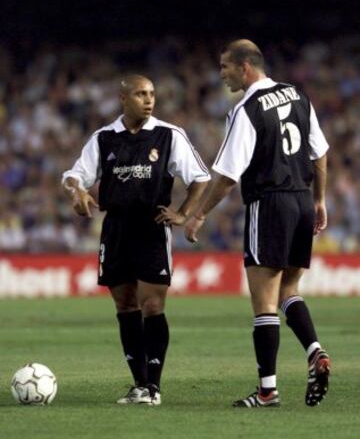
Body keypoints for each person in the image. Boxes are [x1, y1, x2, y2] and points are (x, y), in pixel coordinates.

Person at [185, 39, 331, 408]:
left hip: (270, 203)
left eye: (225, 67)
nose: (222, 74)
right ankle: (315, 351)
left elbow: (228, 174)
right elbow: (321, 152)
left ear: (245, 68)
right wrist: (319, 199)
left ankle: (267, 391)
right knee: (289, 289)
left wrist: (200, 212)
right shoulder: (297, 96)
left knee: (263, 301)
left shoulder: (246, 108)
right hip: (301, 199)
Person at [62, 74, 210, 405]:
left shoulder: (168, 135)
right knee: (125, 305)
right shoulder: (103, 138)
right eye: (141, 94)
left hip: (152, 226)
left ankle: (154, 387)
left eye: (152, 94)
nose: (149, 99)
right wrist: (78, 191)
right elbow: (72, 175)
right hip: (115, 228)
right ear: (123, 98)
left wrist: (184, 212)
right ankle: (139, 384)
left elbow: (200, 177)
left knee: (153, 305)